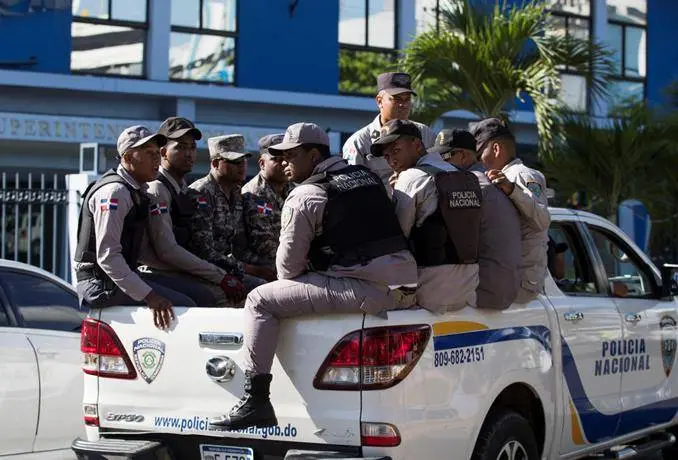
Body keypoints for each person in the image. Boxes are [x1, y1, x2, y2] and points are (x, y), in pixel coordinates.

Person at [209, 122, 418, 430]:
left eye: (291, 156)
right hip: (408, 285)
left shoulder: (307, 194)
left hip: (368, 289)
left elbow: (287, 271)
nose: (283, 163)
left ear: (314, 155)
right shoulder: (370, 177)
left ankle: (256, 401)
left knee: (259, 300)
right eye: (280, 157)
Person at [73, 125, 178, 329]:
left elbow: (143, 252)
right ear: (128, 158)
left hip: (113, 279)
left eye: (157, 153)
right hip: (99, 285)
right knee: (184, 305)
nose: (156, 159)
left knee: (192, 293)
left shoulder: (135, 190)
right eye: (149, 153)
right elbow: (108, 256)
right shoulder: (116, 192)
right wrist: (150, 296)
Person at [372, 120, 480, 312]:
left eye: (396, 151)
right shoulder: (464, 176)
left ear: (417, 144)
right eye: (386, 157)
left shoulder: (412, 177)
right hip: (469, 289)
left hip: (430, 292)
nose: (392, 161)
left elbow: (398, 237)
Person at [139, 117, 244, 307]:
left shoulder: (181, 187)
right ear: (163, 152)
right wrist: (219, 276)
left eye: (192, 148)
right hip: (159, 273)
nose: (189, 154)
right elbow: (167, 251)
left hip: (180, 271)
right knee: (222, 298)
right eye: (180, 147)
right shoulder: (158, 189)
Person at [432, 128, 522, 310]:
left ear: (464, 156)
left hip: (483, 293)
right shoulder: (485, 180)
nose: (439, 163)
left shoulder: (472, 185)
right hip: (505, 290)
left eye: (444, 157)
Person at [470, 117, 550, 304]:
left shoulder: (522, 175)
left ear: (496, 148)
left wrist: (512, 189)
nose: (479, 161)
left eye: (480, 153)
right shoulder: (500, 176)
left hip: (521, 282)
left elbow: (542, 219)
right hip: (506, 275)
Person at [188, 134, 267, 303]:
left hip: (226, 269)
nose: (242, 167)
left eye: (243, 161)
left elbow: (236, 244)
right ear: (216, 164)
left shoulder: (236, 193)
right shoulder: (200, 193)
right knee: (257, 292)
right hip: (202, 271)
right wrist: (248, 269)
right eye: (234, 162)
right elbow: (203, 250)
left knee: (266, 288)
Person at [342, 72, 436, 187]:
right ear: (379, 101)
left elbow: (438, 174)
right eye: (396, 99)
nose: (403, 105)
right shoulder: (359, 142)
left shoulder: (425, 133)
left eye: (407, 99)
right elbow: (354, 189)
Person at [236, 133, 294, 277]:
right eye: (277, 159)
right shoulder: (253, 194)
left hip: (288, 259)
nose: (283, 164)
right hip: (262, 265)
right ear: (262, 163)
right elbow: (265, 246)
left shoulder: (293, 188)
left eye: (286, 159)